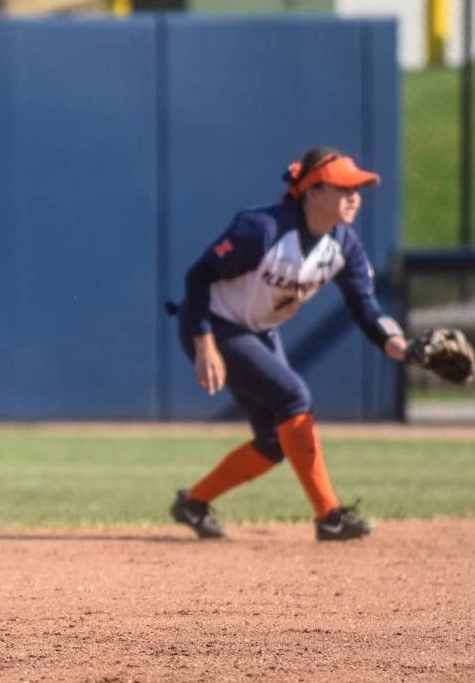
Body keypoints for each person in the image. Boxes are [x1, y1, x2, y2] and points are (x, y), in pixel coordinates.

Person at [169, 147, 408, 542]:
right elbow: (198, 277)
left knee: (273, 441)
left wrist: (402, 347)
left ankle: (192, 504)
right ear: (312, 192)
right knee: (294, 396)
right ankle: (330, 516)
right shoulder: (261, 229)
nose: (354, 197)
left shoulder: (344, 245)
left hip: (258, 331)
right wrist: (205, 344)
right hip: (213, 323)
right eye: (344, 188)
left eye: (357, 189)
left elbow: (366, 309)